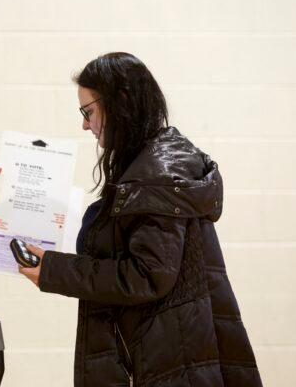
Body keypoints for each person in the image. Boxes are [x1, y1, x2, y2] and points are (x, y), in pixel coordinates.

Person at [19, 52, 262, 387]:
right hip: (167, 359)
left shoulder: (156, 174)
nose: (84, 124)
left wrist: (54, 270)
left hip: (166, 366)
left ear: (120, 102)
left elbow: (147, 275)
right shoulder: (150, 167)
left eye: (88, 112)